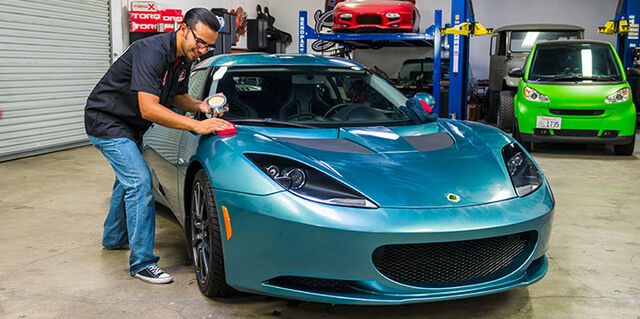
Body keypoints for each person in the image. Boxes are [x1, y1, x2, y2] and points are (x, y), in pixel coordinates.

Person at [84, 8, 233, 284]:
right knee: (140, 182)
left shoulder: (184, 58)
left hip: (130, 126)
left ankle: (114, 237)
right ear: (183, 28)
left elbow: (177, 97)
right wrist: (197, 125)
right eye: (199, 42)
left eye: (208, 46)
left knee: (126, 180)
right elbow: (149, 108)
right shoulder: (150, 51)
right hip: (106, 120)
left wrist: (200, 105)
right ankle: (142, 263)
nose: (202, 50)